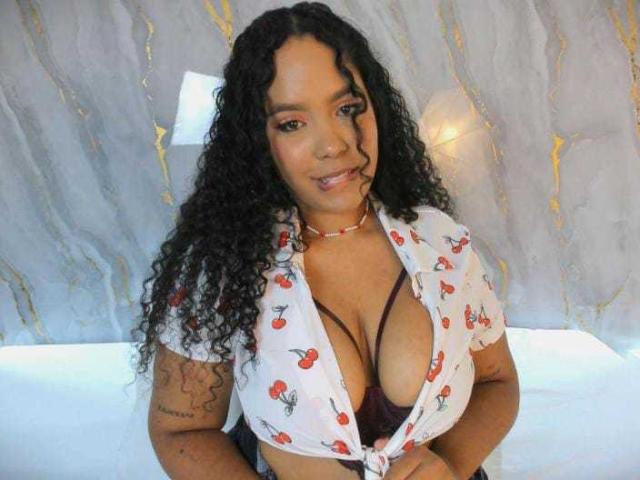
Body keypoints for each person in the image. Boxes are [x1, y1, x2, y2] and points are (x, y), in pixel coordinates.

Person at [132, 2, 520, 479]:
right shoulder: (224, 265)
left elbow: (497, 381)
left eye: (347, 108)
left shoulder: (440, 242)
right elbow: (182, 429)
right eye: (292, 123)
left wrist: (453, 465)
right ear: (257, 139)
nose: (334, 144)